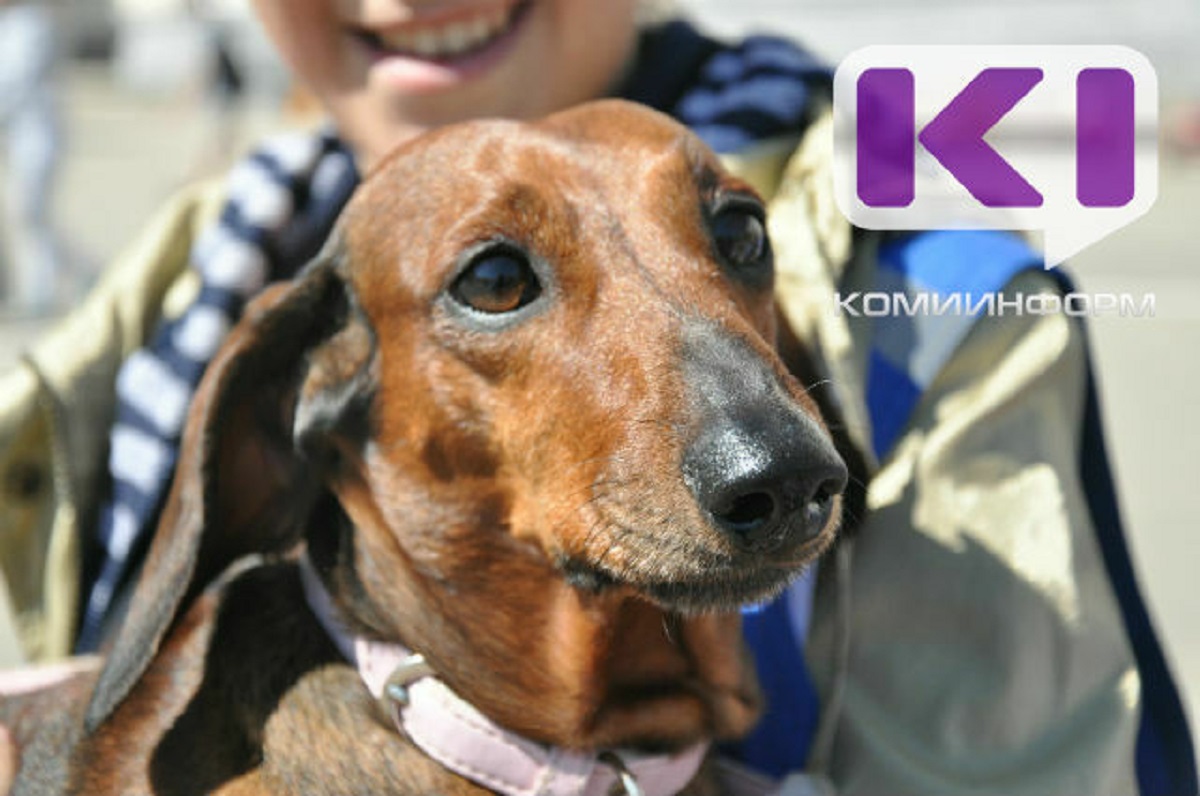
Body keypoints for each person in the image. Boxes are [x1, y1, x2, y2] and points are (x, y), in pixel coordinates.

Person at [0, 1, 1192, 794]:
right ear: (282, 435)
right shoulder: (178, 285)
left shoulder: (931, 294)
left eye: (731, 237)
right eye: (497, 280)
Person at [0, 0, 66, 312]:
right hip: (17, 138)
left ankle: (42, 291)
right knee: (26, 214)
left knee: (29, 213)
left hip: (37, 137)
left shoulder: (31, 25)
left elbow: (13, 83)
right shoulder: (10, 25)